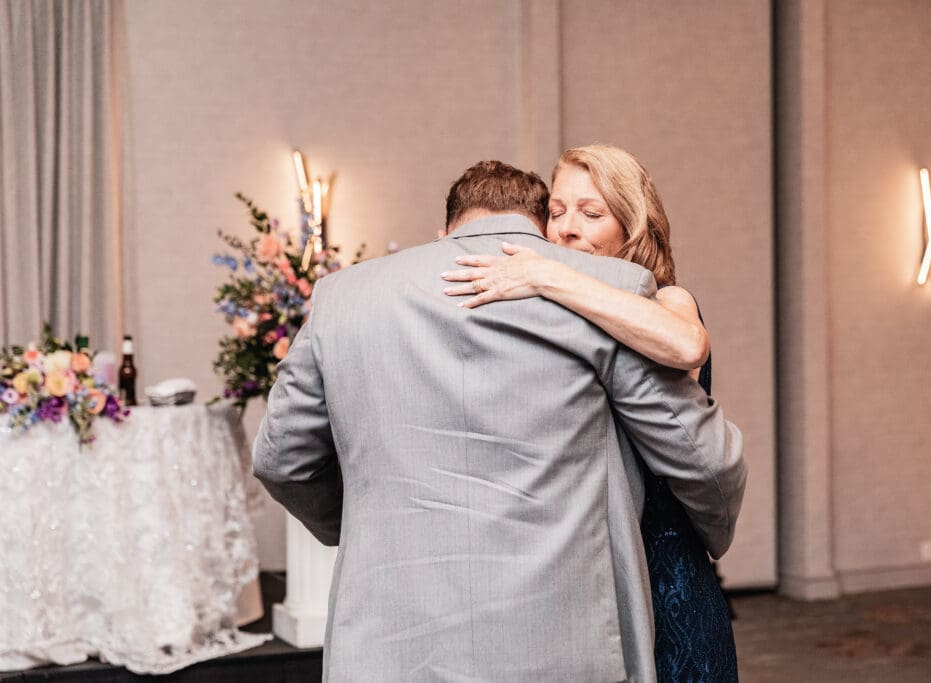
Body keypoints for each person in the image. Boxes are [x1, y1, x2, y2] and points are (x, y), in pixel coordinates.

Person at [252, 159, 746, 681]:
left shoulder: (342, 298)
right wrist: (712, 534)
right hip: (562, 640)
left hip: (390, 642)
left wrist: (360, 523)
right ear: (541, 228)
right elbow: (704, 459)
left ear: (445, 232)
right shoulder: (606, 290)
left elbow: (281, 459)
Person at [441, 145, 738, 681]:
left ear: (633, 225)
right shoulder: (552, 311)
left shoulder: (668, 298)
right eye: (556, 212)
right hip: (578, 574)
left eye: (591, 212)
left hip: (664, 572)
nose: (567, 230)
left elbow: (686, 344)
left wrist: (547, 276)